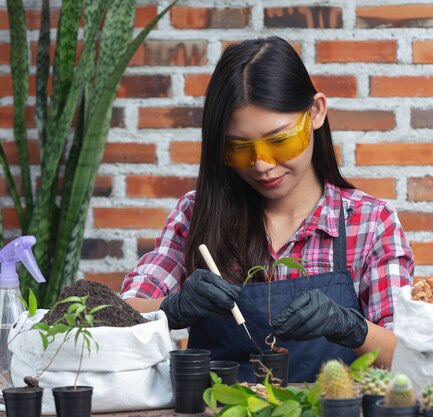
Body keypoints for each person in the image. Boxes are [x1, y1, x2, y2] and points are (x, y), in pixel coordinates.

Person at [120, 36, 414, 382]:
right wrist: (172, 308)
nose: (261, 165)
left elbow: (408, 359)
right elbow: (115, 317)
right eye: (240, 149)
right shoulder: (195, 213)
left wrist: (352, 328)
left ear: (316, 113)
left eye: (279, 141)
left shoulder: (370, 223)